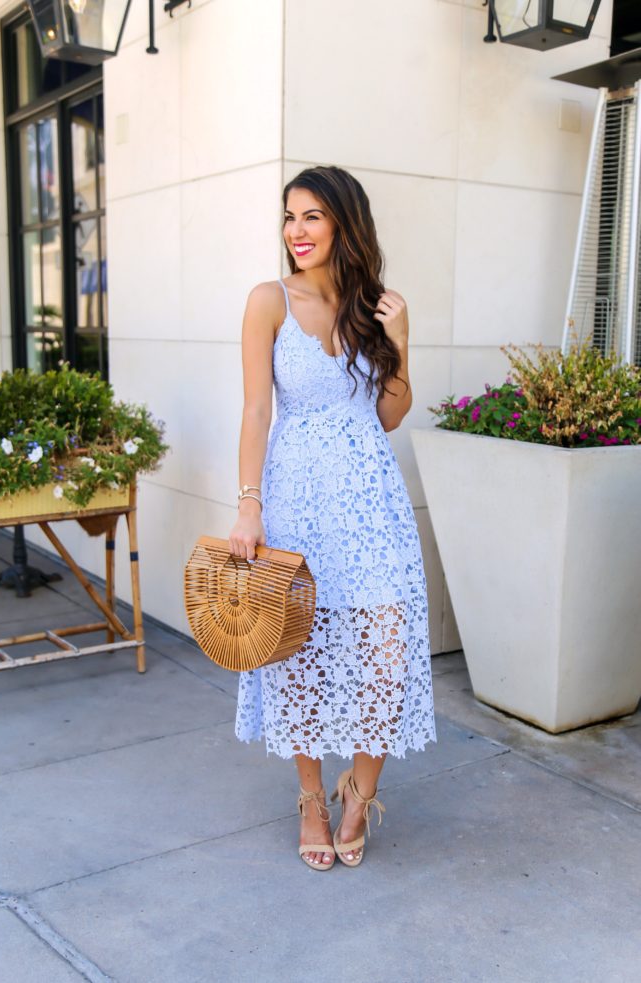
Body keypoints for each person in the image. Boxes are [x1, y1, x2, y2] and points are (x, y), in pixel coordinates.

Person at [229, 165, 436, 871]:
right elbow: (257, 409)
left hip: (368, 499)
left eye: (312, 216)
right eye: (290, 217)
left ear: (344, 223)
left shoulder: (371, 305)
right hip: (293, 498)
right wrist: (248, 506)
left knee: (384, 644)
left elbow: (387, 414)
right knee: (298, 650)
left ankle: (360, 787)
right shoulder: (268, 301)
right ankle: (312, 796)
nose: (296, 231)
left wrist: (402, 339)